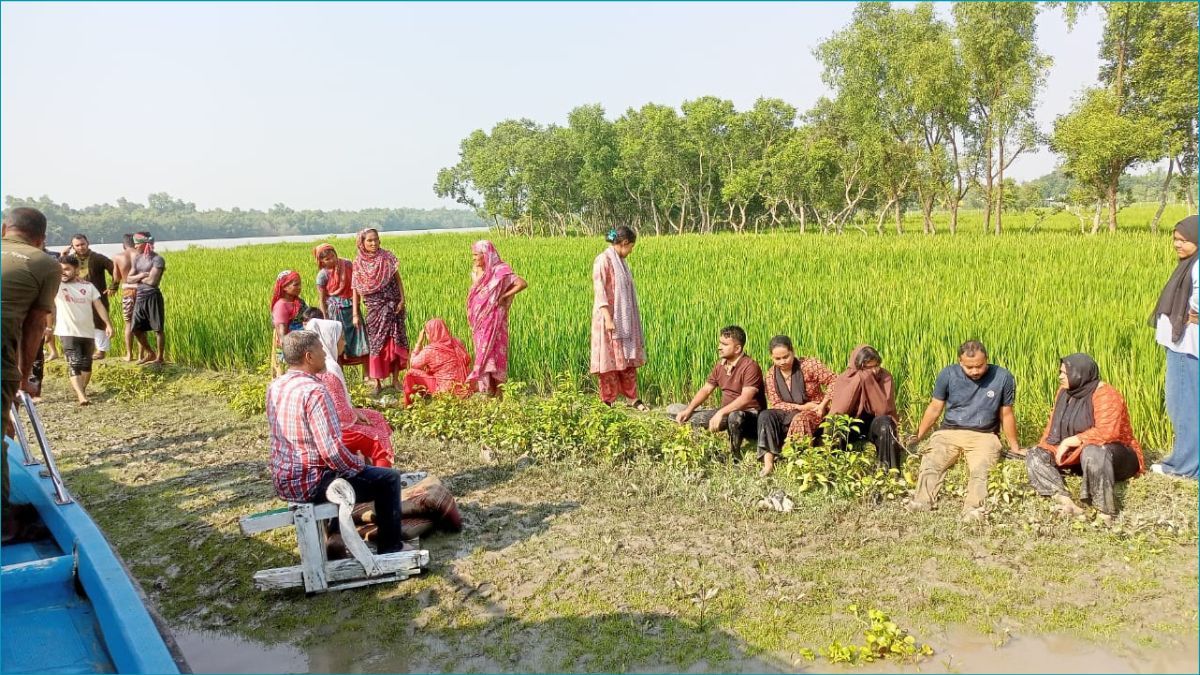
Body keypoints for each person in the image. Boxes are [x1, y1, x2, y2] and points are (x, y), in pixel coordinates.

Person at [266, 330, 406, 554]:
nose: (325, 354)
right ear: (308, 356)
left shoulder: (276, 385)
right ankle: (391, 549)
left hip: (285, 479)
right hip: (310, 482)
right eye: (320, 349)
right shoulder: (315, 391)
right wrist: (358, 466)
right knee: (388, 479)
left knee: (348, 473)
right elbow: (331, 452)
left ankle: (336, 536)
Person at [907, 340, 1020, 521]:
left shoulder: (1003, 377)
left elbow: (1006, 414)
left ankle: (973, 509)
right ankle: (922, 501)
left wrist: (1014, 447)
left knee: (981, 470)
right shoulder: (948, 374)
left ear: (987, 360)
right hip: (948, 433)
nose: (975, 371)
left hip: (984, 436)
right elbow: (935, 408)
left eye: (979, 366)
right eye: (969, 367)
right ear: (960, 362)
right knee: (931, 462)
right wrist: (918, 435)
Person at [1024, 354, 1143, 523]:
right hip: (1079, 458)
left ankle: (1105, 513)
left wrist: (1072, 440)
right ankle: (1065, 501)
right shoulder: (1064, 393)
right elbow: (1053, 427)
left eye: (1065, 373)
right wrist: (1045, 448)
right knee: (1035, 454)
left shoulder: (1105, 394)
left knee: (1093, 451)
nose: (1060, 376)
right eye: (1060, 372)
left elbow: (1108, 432)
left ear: (1080, 374)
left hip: (1115, 457)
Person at [1, 207, 61, 541]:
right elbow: (36, 324)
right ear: (41, 238)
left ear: (4, 228)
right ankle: (3, 525)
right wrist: (23, 378)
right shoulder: (43, 263)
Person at [303, 310, 395, 468]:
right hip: (334, 428)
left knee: (376, 417)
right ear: (329, 340)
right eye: (341, 339)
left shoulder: (316, 365)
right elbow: (340, 413)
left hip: (326, 422)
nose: (344, 343)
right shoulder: (329, 369)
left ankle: (368, 467)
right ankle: (381, 481)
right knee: (378, 437)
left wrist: (354, 412)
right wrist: (355, 416)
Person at [1149, 214, 1199, 480]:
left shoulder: (1196, 265)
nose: (1178, 245)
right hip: (1186, 345)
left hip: (1186, 348)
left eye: (1185, 240)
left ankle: (1184, 467)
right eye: (1176, 240)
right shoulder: (1190, 263)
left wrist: (1195, 313)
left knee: (1183, 406)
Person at [668, 325, 766, 458]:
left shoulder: (750, 366)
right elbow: (706, 389)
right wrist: (689, 409)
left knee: (735, 416)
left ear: (737, 348)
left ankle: (735, 456)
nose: (719, 347)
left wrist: (720, 412)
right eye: (720, 343)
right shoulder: (721, 365)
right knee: (685, 416)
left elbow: (746, 398)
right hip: (726, 412)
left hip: (750, 416)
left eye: (724, 344)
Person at [755, 335, 837, 477]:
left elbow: (834, 381)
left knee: (800, 419)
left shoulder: (809, 365)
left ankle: (800, 462)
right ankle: (768, 462)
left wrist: (823, 404)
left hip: (815, 411)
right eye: (777, 359)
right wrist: (801, 407)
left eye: (786, 357)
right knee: (765, 415)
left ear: (793, 352)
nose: (782, 362)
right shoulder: (770, 375)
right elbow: (776, 403)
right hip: (792, 411)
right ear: (771, 357)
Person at [590, 226, 648, 410]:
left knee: (626, 358)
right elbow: (600, 291)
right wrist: (608, 318)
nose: (631, 251)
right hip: (609, 319)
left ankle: (632, 398)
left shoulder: (621, 262)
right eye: (631, 246)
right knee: (609, 360)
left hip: (624, 320)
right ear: (624, 243)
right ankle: (607, 400)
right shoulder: (603, 261)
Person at [467, 240, 528, 397]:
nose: (473, 258)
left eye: (476, 255)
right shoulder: (476, 270)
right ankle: (488, 390)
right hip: (479, 319)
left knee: (493, 352)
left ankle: (499, 391)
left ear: (485, 254)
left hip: (494, 317)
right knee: (482, 350)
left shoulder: (500, 270)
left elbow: (521, 283)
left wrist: (505, 296)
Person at [352, 228, 409, 396]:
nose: (374, 243)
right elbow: (355, 288)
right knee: (376, 345)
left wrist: (402, 299)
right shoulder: (358, 263)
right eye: (369, 241)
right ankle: (377, 382)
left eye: (376, 239)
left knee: (395, 340)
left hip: (392, 305)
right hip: (374, 308)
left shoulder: (387, 257)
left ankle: (396, 380)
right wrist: (355, 313)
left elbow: (397, 279)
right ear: (361, 243)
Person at [828, 345, 903, 471]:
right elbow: (839, 410)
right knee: (837, 424)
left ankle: (888, 470)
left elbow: (883, 410)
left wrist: (870, 383)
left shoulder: (885, 377)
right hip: (851, 422)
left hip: (874, 422)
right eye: (869, 367)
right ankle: (836, 468)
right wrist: (859, 379)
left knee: (886, 424)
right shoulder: (845, 378)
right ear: (859, 366)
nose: (874, 370)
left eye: (877, 365)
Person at [51, 255, 114, 405]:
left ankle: (82, 389)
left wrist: (108, 324)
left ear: (77, 270)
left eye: (67, 269)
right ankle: (81, 396)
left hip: (87, 331)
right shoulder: (56, 286)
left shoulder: (87, 286)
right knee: (75, 362)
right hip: (67, 331)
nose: (63, 272)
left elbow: (99, 306)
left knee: (87, 364)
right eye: (60, 270)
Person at [313, 243, 369, 368]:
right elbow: (322, 299)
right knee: (338, 342)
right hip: (335, 312)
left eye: (333, 256)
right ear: (321, 262)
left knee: (361, 339)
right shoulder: (322, 275)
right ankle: (340, 372)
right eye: (327, 259)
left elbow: (356, 285)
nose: (332, 260)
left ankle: (367, 373)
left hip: (352, 307)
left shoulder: (347, 265)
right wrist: (325, 317)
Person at [61, 234, 115, 359]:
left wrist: (113, 286)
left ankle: (101, 350)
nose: (81, 247)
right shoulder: (70, 259)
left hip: (97, 296)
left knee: (99, 322)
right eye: (77, 245)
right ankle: (79, 350)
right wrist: (63, 256)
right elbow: (60, 271)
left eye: (82, 244)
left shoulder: (98, 258)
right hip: (75, 296)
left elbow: (115, 269)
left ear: (88, 243)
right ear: (72, 246)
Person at [402, 317, 471, 405]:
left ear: (431, 333)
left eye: (426, 333)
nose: (426, 336)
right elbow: (467, 360)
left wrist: (419, 343)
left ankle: (409, 404)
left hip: (446, 390)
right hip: (463, 387)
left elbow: (413, 364)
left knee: (410, 374)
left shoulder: (431, 349)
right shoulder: (456, 342)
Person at [127, 232, 166, 365]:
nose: (135, 246)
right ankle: (150, 352)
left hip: (153, 296)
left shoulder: (157, 259)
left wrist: (138, 277)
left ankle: (160, 357)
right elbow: (128, 278)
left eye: (137, 243)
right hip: (140, 296)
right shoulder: (137, 259)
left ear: (145, 244)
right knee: (135, 328)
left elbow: (153, 281)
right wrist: (142, 275)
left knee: (158, 329)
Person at [270, 270, 308, 376]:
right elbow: (282, 334)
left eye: (300, 284)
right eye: (296, 285)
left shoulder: (299, 302)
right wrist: (290, 352)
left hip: (301, 341)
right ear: (284, 287)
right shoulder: (281, 305)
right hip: (291, 343)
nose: (300, 287)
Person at [111, 233, 142, 361]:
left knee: (128, 324)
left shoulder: (118, 256)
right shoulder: (142, 255)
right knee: (141, 324)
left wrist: (113, 288)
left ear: (123, 245)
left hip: (128, 291)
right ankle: (141, 356)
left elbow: (116, 277)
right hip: (142, 291)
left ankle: (129, 355)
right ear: (135, 243)